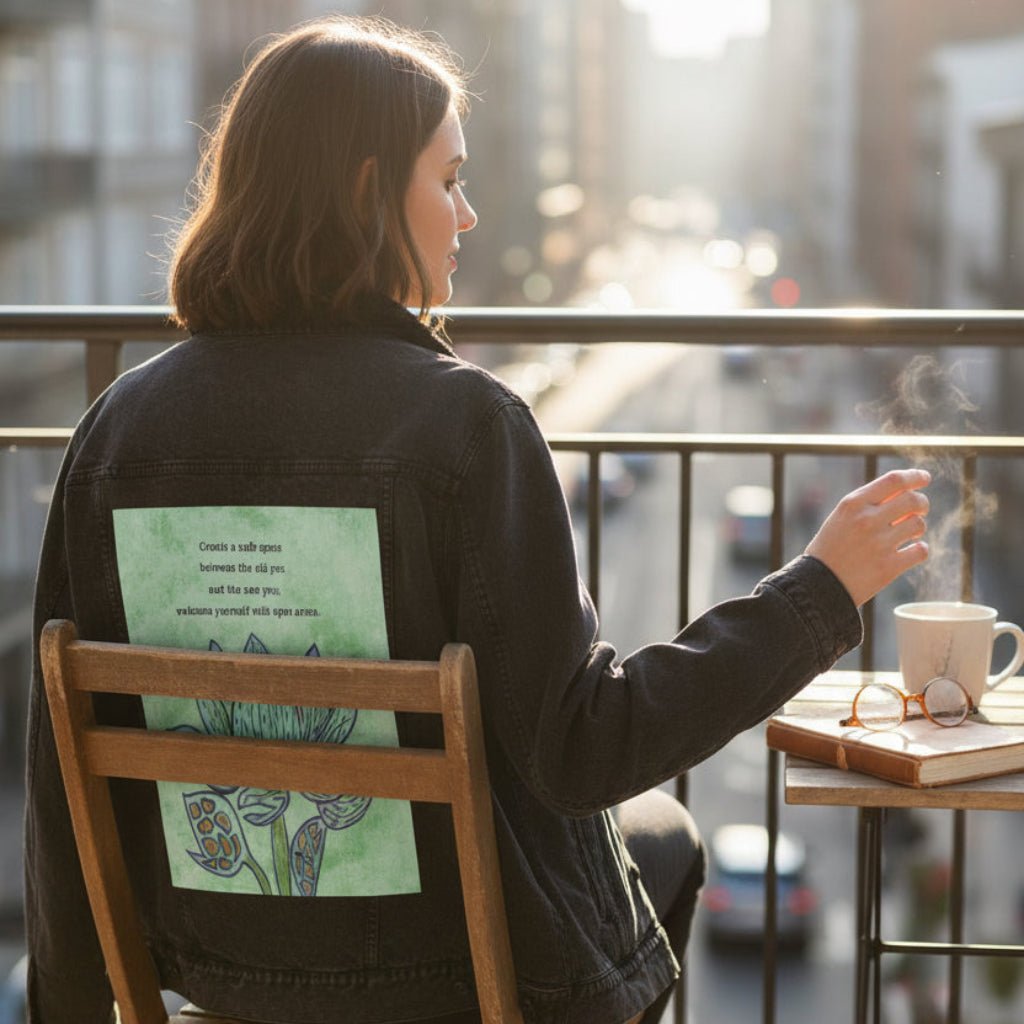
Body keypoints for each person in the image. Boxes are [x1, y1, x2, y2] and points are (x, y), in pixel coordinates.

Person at [23, 15, 930, 1024]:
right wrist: (819, 592)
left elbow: (63, 771)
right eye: (448, 178)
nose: (468, 216)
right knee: (662, 832)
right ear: (368, 190)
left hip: (215, 969)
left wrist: (69, 1004)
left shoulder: (113, 433)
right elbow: (583, 751)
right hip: (458, 981)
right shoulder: (465, 425)